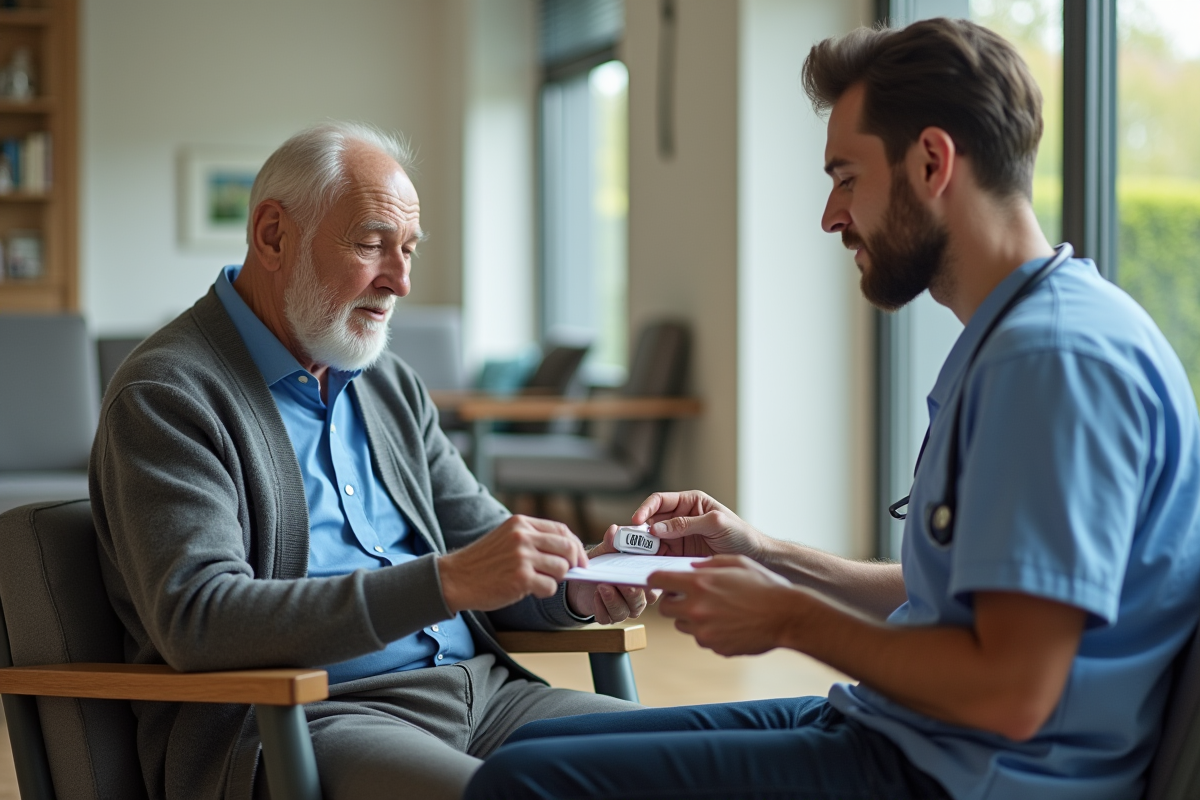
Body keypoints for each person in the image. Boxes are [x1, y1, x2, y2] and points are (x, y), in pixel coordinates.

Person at [465, 17, 1200, 800]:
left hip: (962, 778)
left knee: (524, 783)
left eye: (846, 176)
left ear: (930, 161)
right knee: (542, 741)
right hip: (904, 734)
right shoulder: (1022, 336)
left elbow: (1011, 693)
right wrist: (759, 549)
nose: (830, 215)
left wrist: (789, 618)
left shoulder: (1055, 363)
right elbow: (951, 598)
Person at [89, 121, 653, 800]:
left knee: (701, 764)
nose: (402, 281)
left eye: (408, 250)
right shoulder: (169, 393)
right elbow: (200, 618)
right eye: (372, 245)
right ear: (273, 236)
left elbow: (484, 550)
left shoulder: (387, 384)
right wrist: (441, 584)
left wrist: (576, 589)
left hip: (487, 699)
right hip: (311, 719)